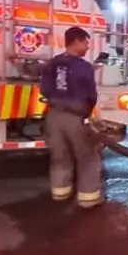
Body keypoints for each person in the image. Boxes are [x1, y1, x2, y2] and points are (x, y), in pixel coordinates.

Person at [40, 26, 103, 208]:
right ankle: (88, 198)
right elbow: (91, 95)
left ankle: (60, 192)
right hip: (75, 117)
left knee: (60, 155)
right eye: (85, 43)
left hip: (53, 116)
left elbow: (44, 89)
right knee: (87, 156)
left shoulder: (52, 64)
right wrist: (87, 113)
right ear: (76, 42)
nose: (87, 47)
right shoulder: (84, 67)